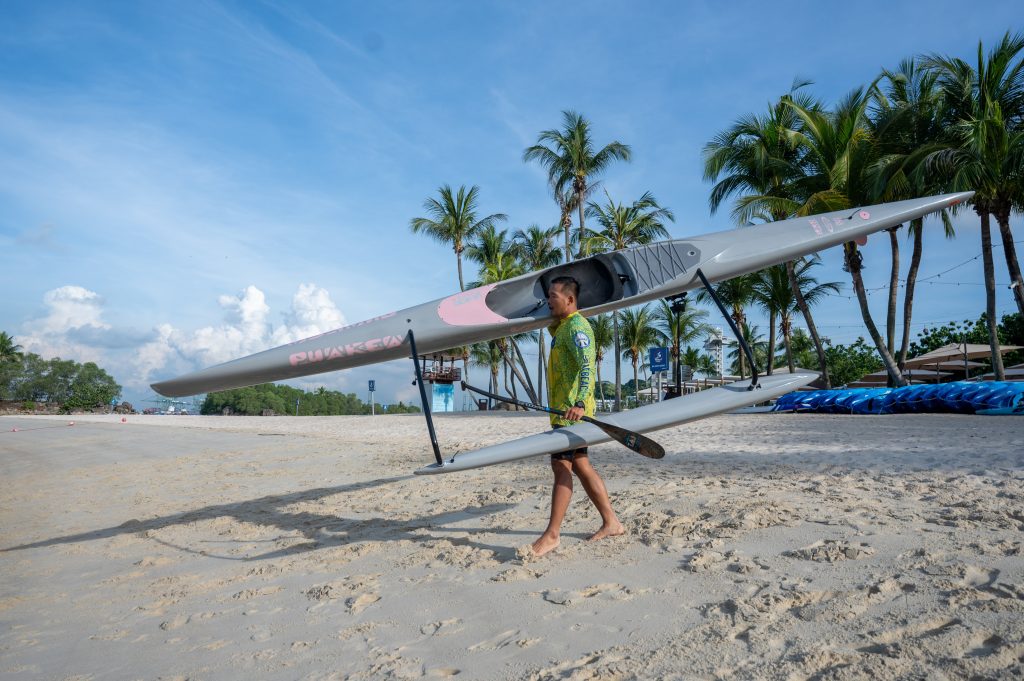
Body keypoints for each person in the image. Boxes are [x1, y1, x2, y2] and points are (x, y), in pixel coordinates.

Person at [532, 276, 624, 557]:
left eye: (553, 296)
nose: (548, 301)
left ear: (570, 300)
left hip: (574, 414)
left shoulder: (577, 328)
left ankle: (552, 534)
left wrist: (582, 403)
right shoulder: (561, 328)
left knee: (562, 467)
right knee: (581, 465)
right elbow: (547, 320)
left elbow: (588, 366)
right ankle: (612, 522)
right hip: (564, 412)